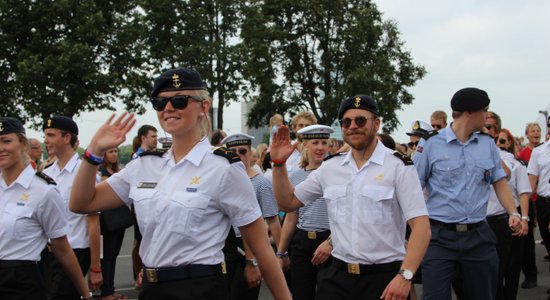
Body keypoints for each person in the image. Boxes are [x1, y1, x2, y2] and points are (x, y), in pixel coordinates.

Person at [69, 67, 291, 300]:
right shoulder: (143, 166)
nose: (168, 109)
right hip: (151, 289)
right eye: (160, 103)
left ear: (203, 108)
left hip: (199, 289)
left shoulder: (223, 167)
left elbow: (262, 248)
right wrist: (93, 153)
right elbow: (82, 203)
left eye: (180, 100)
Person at [271, 95, 431, 300]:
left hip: (384, 279)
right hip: (337, 279)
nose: (353, 126)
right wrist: (278, 164)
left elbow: (422, 228)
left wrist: (405, 276)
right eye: (346, 122)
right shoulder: (330, 167)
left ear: (376, 123)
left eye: (360, 120)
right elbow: (288, 202)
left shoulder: (399, 166)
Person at [413, 87, 522, 300]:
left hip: (478, 236)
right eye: (485, 111)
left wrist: (513, 213)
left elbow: (499, 181)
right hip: (439, 236)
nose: (487, 116)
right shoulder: (431, 143)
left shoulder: (487, 143)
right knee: (434, 296)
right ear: (470, 113)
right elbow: (414, 186)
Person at [0, 117, 91, 300]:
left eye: (6, 141)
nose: (0, 148)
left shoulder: (44, 191)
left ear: (24, 145)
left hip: (21, 284)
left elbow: (62, 249)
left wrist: (85, 293)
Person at [42, 116, 103, 299]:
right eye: (45, 135)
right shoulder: (46, 174)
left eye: (51, 135)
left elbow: (93, 225)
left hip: (76, 251)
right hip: (50, 253)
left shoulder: (84, 173)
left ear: (67, 138)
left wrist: (95, 267)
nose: (46, 141)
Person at [276, 124, 334, 300]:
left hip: (330, 241)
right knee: (301, 294)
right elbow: (291, 217)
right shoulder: (295, 176)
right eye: (315, 142)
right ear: (304, 145)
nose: (320, 147)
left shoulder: (336, 173)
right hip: (302, 242)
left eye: (324, 142)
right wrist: (281, 252)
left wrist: (332, 241)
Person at [221, 133, 282, 300]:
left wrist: (281, 253)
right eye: (233, 152)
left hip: (251, 245)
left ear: (250, 154)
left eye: (243, 151)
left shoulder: (261, 183)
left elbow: (273, 219)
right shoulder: (221, 181)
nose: (238, 156)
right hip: (225, 245)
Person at [486, 127, 531, 300]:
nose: (498, 143)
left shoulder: (514, 163)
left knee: (510, 267)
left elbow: (524, 193)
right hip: (481, 220)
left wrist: (524, 218)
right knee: (489, 271)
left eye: (501, 141)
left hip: (507, 217)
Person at [129, 124, 158, 288]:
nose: (156, 139)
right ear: (143, 138)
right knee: (139, 240)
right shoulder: (136, 158)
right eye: (153, 136)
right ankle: (138, 272)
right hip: (140, 203)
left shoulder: (156, 156)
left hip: (151, 202)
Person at [98, 148, 128, 300]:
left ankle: (111, 288)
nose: (114, 154)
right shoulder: (102, 171)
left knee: (113, 255)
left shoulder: (115, 170)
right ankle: (106, 290)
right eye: (110, 152)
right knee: (107, 256)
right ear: (103, 155)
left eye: (116, 151)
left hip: (118, 220)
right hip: (106, 221)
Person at [517, 122, 542, 289]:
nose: (536, 133)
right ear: (527, 134)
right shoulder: (523, 154)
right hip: (530, 199)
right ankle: (530, 275)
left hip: (541, 196)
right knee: (527, 239)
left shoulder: (544, 150)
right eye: (532, 131)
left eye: (538, 130)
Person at [526, 127, 550, 294]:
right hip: (543, 202)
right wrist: (523, 211)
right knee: (547, 240)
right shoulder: (539, 151)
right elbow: (531, 180)